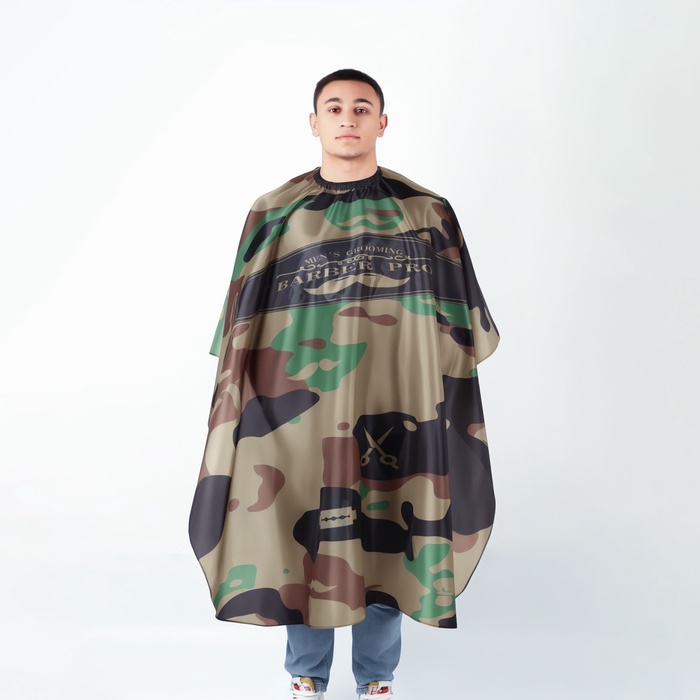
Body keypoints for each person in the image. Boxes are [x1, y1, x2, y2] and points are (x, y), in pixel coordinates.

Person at [189, 68, 499, 700]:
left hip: (396, 403)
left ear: (382, 122)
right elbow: (241, 328)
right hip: (302, 417)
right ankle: (306, 678)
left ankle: (377, 681)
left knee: (387, 532)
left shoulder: (425, 212)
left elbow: (462, 329)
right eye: (334, 108)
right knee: (301, 529)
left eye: (361, 107)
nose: (348, 118)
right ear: (315, 123)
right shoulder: (275, 211)